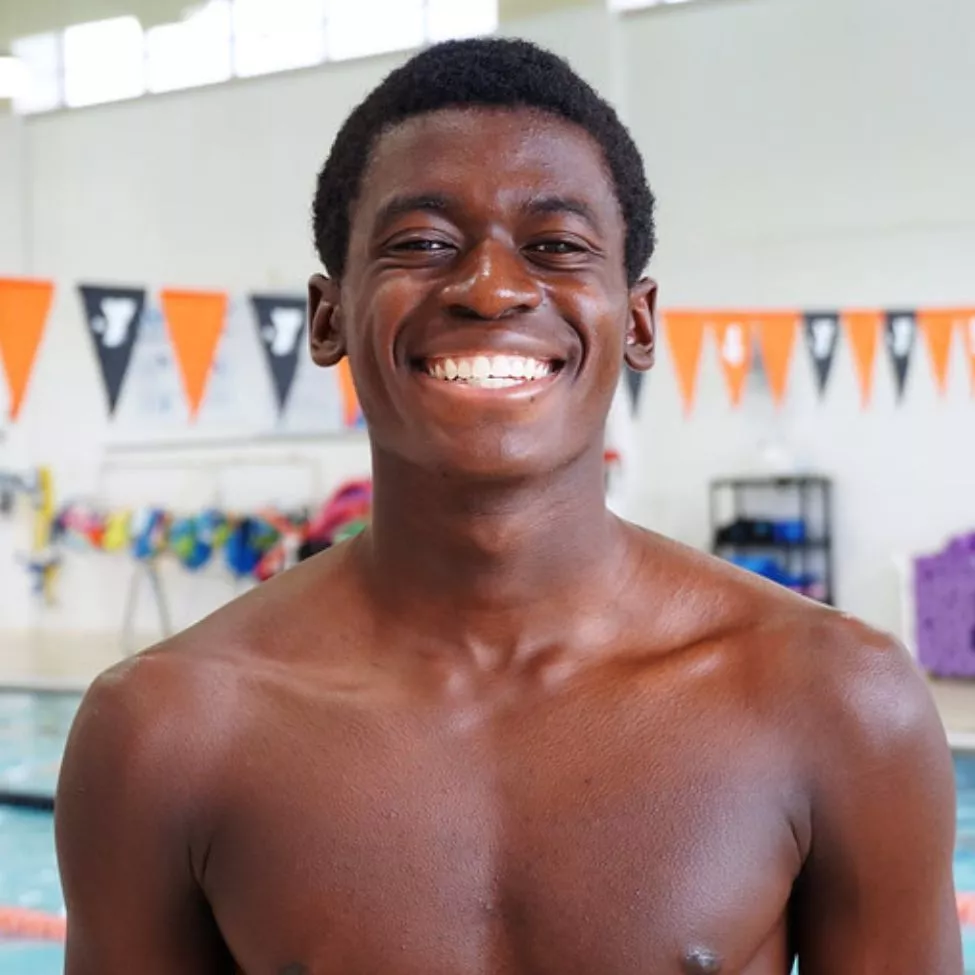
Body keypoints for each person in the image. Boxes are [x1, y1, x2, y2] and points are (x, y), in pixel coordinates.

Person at [55, 37, 961, 975]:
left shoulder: (837, 703)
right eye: (423, 244)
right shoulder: (166, 733)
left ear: (638, 320)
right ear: (328, 316)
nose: (491, 287)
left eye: (556, 246)